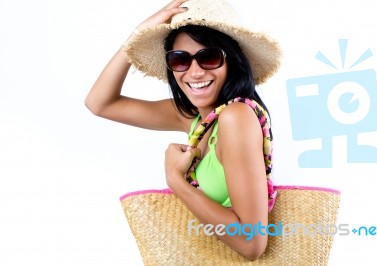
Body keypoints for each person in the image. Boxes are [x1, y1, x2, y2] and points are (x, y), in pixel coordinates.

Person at [85, 0, 281, 261]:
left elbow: (252, 242)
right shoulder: (193, 118)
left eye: (208, 57)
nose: (195, 72)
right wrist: (139, 33)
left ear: (231, 61)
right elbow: (99, 103)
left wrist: (176, 180)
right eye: (180, 60)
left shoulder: (236, 117)